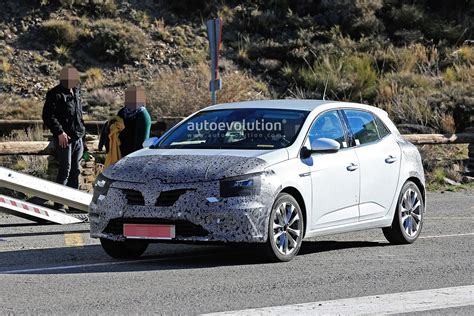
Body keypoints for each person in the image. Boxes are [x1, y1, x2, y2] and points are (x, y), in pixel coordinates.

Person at [42, 66, 86, 212]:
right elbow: (48, 116)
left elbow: (78, 115)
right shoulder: (55, 94)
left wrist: (83, 136)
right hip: (65, 139)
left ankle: (74, 205)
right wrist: (59, 132)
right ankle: (59, 204)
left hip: (78, 137)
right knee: (64, 170)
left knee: (76, 171)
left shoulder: (77, 92)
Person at [117, 86, 152, 156]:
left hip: (135, 155)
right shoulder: (122, 112)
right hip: (120, 153)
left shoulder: (143, 115)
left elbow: (142, 141)